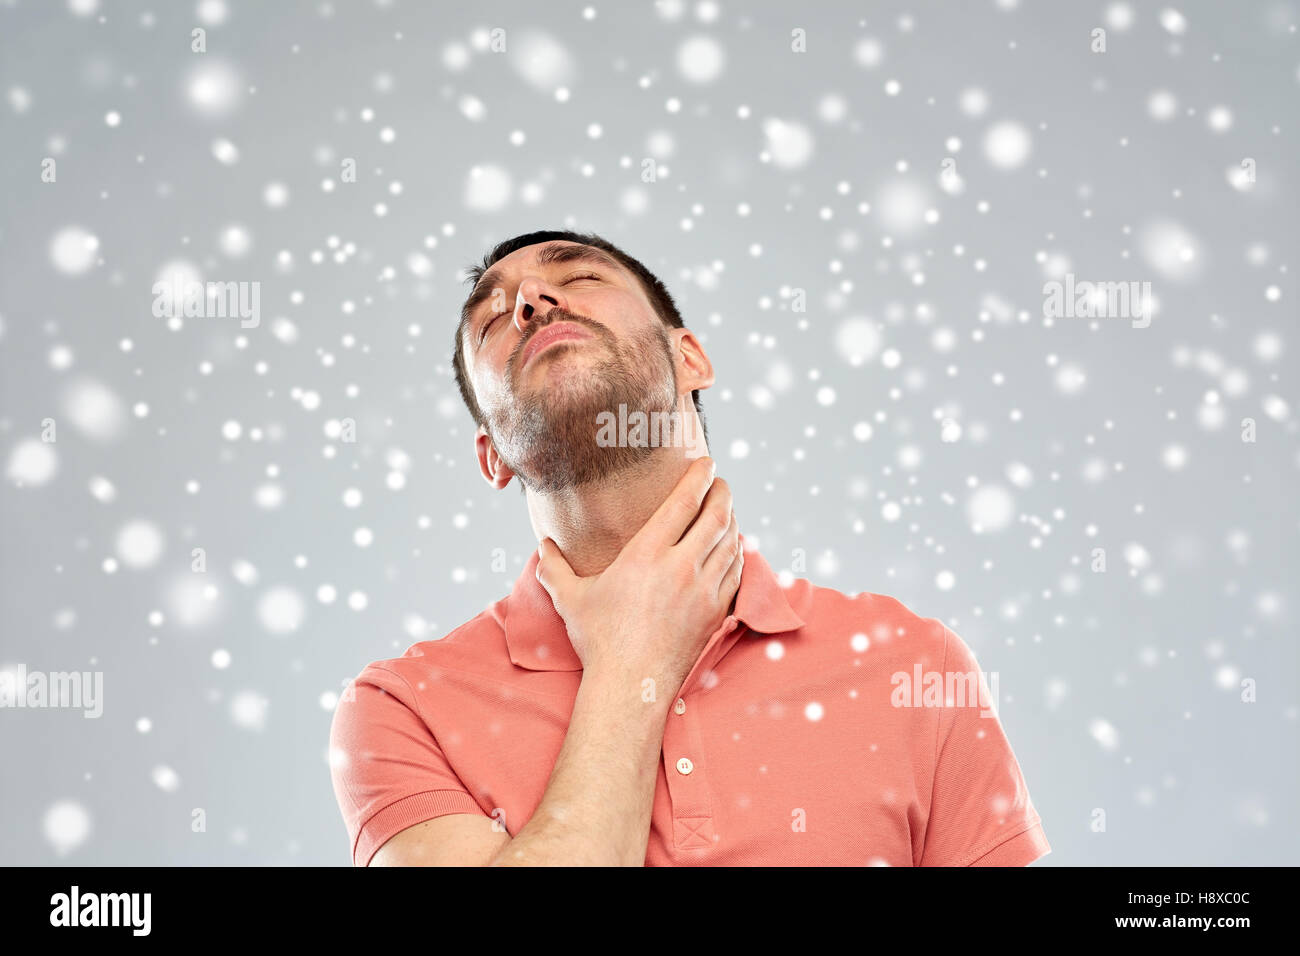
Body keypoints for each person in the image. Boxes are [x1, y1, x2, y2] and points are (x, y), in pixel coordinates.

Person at [328, 230, 1051, 867]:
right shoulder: (400, 710)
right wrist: (631, 657)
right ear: (493, 458)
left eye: (578, 278)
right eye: (493, 316)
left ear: (693, 358)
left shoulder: (909, 662)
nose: (531, 301)